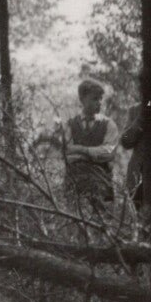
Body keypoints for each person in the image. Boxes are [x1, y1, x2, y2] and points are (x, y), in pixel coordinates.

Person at [61, 78, 118, 215]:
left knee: (103, 227)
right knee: (75, 225)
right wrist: (95, 154)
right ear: (82, 99)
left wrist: (82, 150)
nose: (99, 103)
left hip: (102, 184)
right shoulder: (70, 124)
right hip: (75, 184)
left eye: (100, 99)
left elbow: (108, 153)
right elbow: (68, 155)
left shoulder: (109, 125)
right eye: (94, 99)